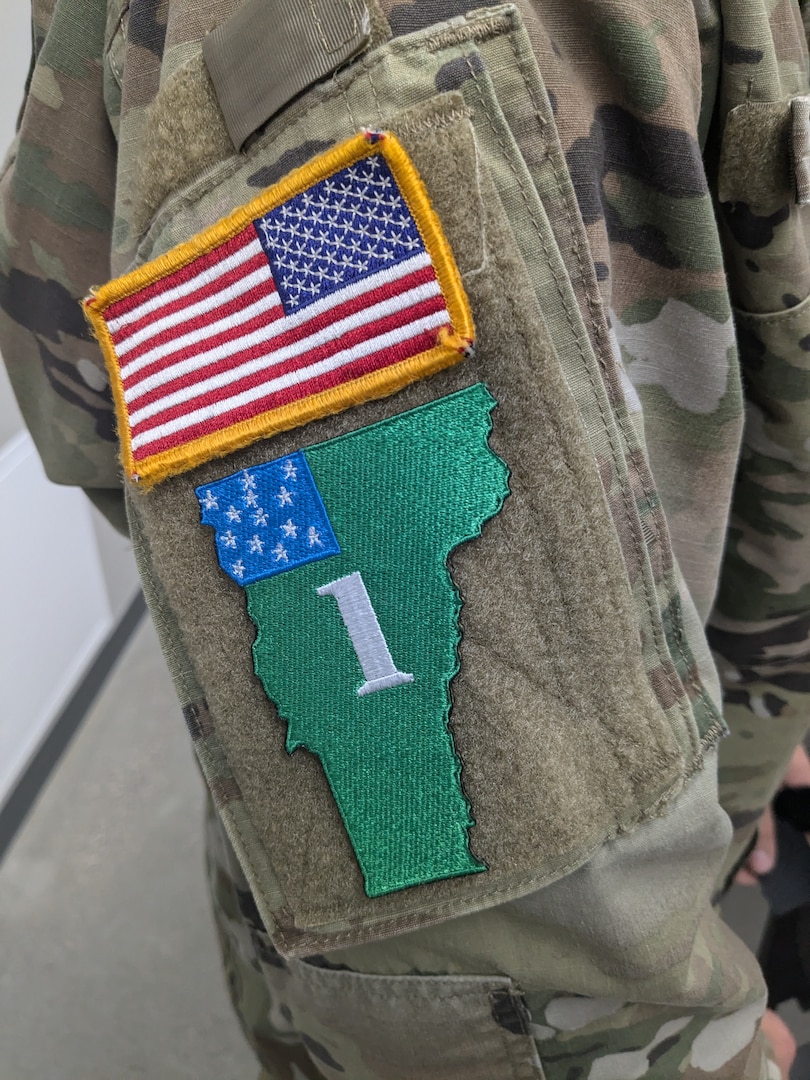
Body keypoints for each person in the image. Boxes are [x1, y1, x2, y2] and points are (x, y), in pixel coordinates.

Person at [2, 1, 809, 1077]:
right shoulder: (370, 52)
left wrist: (759, 708)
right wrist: (685, 1055)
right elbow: (507, 941)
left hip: (699, 689)